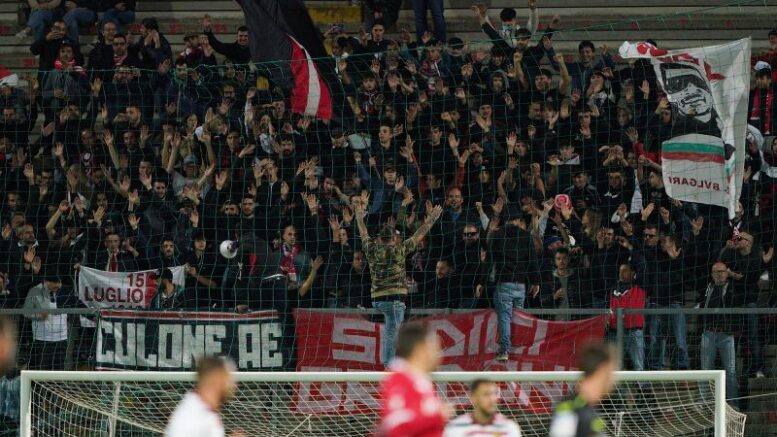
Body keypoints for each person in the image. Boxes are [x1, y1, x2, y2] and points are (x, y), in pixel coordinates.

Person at [355, 200, 443, 367]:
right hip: (394, 299)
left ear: (379, 239)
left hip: (377, 299)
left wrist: (359, 216)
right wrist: (431, 219)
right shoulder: (399, 250)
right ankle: (389, 366)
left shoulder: (372, 249)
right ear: (394, 239)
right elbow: (418, 236)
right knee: (392, 333)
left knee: (390, 331)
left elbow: (363, 233)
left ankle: (390, 364)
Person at [376, 322, 451, 437]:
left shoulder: (418, 380)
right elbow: (395, 424)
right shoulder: (400, 380)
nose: (439, 356)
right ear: (421, 350)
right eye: (434, 349)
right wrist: (435, 414)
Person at [548, 342, 619, 437]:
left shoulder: (589, 408)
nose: (613, 381)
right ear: (602, 371)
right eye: (611, 373)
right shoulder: (569, 407)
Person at [165, 356, 244, 437]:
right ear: (218, 380)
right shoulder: (191, 418)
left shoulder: (204, 408)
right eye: (230, 379)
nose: (235, 385)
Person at [697, 262, 739, 407]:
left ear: (727, 273)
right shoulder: (707, 288)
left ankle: (733, 403)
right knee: (705, 369)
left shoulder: (733, 288)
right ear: (711, 274)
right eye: (716, 272)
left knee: (730, 371)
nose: (719, 274)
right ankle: (703, 402)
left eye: (722, 271)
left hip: (726, 334)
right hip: (708, 332)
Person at [443, 379, 522, 437]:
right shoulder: (456, 426)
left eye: (494, 394)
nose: (492, 399)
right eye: (486, 394)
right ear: (473, 398)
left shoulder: (508, 427)